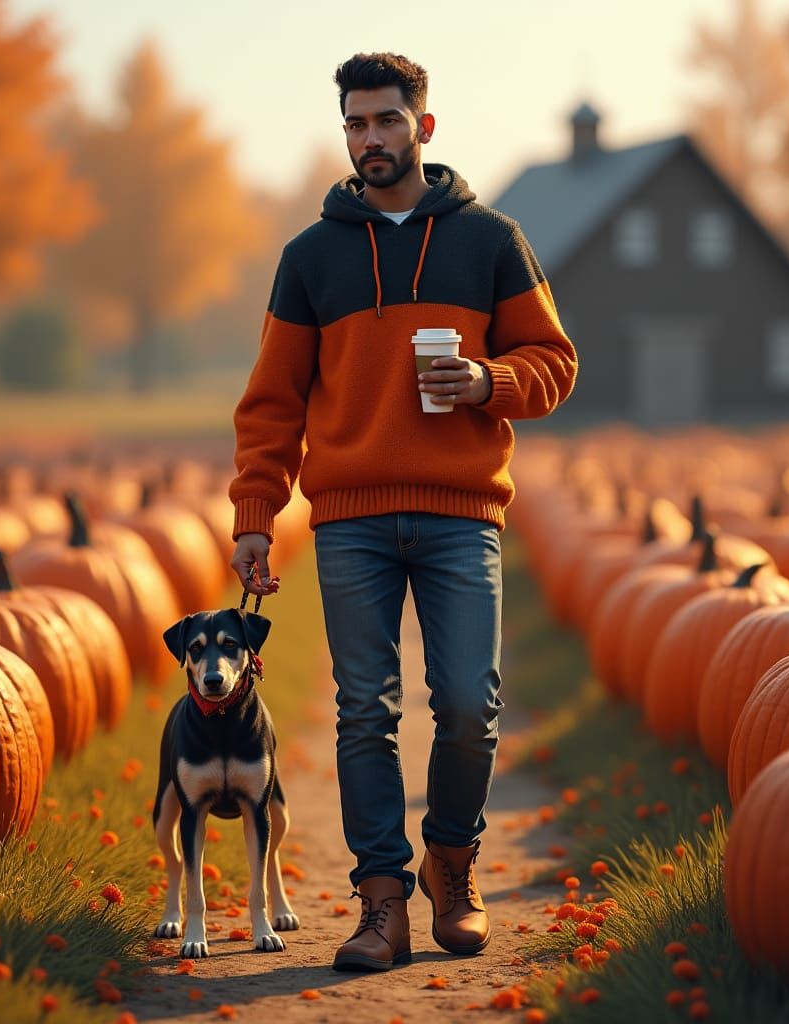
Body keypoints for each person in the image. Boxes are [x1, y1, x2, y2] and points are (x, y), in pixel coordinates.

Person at [228, 52, 577, 971]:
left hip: (463, 513)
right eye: (354, 123)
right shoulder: (310, 257)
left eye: (386, 120)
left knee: (469, 704)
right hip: (349, 518)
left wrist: (486, 380)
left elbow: (554, 363)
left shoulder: (490, 241)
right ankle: (380, 900)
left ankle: (451, 869)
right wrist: (257, 516)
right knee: (363, 711)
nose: (369, 138)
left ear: (424, 127)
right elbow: (271, 404)